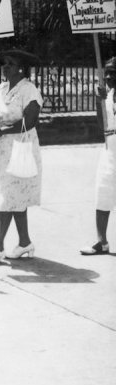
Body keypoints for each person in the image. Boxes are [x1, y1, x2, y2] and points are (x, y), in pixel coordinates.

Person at [0, 49, 43, 264]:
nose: (5, 67)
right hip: (2, 150)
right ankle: (24, 242)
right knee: (14, 195)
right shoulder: (2, 88)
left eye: (10, 63)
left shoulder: (29, 90)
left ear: (20, 67)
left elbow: (31, 120)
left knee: (8, 196)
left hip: (21, 147)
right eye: (4, 63)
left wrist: (3, 131)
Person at [81, 57, 116, 255]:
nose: (109, 77)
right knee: (103, 192)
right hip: (109, 149)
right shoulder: (108, 95)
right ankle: (101, 241)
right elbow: (103, 126)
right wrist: (99, 101)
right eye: (107, 73)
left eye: (114, 73)